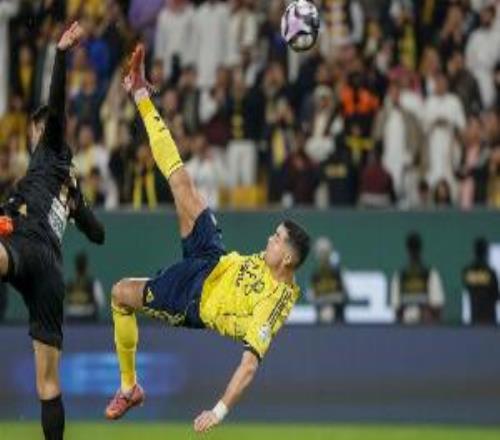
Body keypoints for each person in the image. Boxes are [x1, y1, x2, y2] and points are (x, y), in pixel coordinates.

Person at [105, 45, 310, 433]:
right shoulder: (268, 263)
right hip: (214, 257)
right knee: (182, 181)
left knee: (120, 294)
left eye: (277, 239)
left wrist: (219, 411)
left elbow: (249, 365)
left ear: (287, 259)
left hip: (193, 297)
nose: (270, 239)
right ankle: (141, 93)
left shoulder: (274, 304)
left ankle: (129, 387)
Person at [0, 23, 105, 440]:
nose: (32, 135)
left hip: (27, 246)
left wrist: (61, 54)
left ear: (41, 132)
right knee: (47, 384)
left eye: (34, 130)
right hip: (50, 276)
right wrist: (78, 205)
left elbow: (57, 106)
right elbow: (98, 234)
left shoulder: (49, 150)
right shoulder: (68, 187)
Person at [390, 232, 445, 324]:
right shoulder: (400, 276)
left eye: (415, 248)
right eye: (412, 249)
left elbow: (438, 308)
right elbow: (397, 311)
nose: (414, 252)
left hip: (426, 327)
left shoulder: (430, 274)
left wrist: (424, 313)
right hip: (406, 327)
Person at [462, 237, 499, 325]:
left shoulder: (467, 271)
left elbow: (468, 287)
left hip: (475, 319)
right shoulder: (490, 272)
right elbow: (496, 295)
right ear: (486, 252)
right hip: (489, 320)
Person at [65, 252, 105, 323]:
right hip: (88, 320)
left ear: (75, 267)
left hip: (72, 320)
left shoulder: (69, 284)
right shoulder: (93, 283)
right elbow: (100, 303)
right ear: (87, 267)